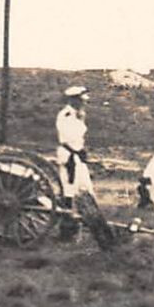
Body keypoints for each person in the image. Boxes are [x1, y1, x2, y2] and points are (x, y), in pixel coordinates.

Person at [54, 86, 91, 238]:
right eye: (81, 101)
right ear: (73, 100)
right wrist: (77, 152)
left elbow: (79, 137)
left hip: (77, 155)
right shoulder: (66, 115)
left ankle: (80, 223)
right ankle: (67, 228)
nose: (83, 104)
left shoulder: (78, 115)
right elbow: (67, 138)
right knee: (69, 189)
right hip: (69, 155)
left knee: (82, 188)